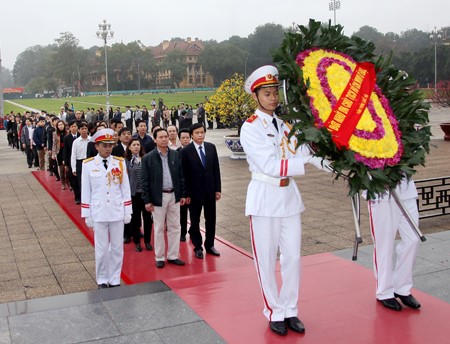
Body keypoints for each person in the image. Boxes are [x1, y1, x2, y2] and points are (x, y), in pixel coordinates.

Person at [240, 65, 331, 336]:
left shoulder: (288, 124)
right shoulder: (251, 127)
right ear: (255, 96)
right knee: (266, 259)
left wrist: (335, 164)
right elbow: (269, 164)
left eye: (274, 92)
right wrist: (303, 161)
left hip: (289, 198)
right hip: (265, 198)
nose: (273, 98)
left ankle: (290, 309)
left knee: (292, 257)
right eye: (266, 93)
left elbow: (307, 152)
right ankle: (274, 310)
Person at [81, 128, 132, 289]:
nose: (108, 148)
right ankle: (102, 278)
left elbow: (125, 188)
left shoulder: (120, 162)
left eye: (110, 145)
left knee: (117, 248)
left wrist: (127, 210)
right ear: (96, 146)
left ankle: (114, 278)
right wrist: (87, 213)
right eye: (104, 145)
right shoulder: (88, 165)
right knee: (102, 249)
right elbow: (86, 191)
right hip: (99, 211)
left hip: (116, 211)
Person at [365, 177, 421, 311]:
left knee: (413, 239)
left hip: (406, 191)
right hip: (380, 193)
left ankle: (402, 287)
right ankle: (384, 291)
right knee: (384, 245)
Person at [141, 128, 186, 268]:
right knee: (159, 228)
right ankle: (159, 257)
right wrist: (147, 200)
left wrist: (182, 194)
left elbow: (181, 176)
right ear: (154, 139)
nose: (164, 139)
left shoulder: (175, 155)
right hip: (158, 197)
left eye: (166, 136)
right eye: (160, 137)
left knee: (175, 226)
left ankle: (173, 255)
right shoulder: (148, 158)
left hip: (174, 195)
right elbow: (145, 181)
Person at [181, 123, 221, 259]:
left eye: (202, 132)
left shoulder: (211, 148)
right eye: (197, 133)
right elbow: (184, 174)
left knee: (211, 219)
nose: (200, 135)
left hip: (210, 190)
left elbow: (216, 169)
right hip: (194, 193)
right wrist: (185, 194)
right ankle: (197, 246)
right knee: (195, 220)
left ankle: (210, 245)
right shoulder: (186, 151)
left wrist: (218, 189)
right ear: (192, 135)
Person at [125, 138, 153, 252]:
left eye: (138, 145)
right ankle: (137, 242)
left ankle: (147, 241)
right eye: (134, 145)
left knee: (147, 219)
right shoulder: (125, 161)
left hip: (145, 194)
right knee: (135, 219)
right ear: (129, 147)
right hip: (133, 194)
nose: (136, 147)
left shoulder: (146, 159)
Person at [177, 128, 191, 241]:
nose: (185, 140)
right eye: (183, 138)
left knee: (194, 212)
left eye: (187, 138)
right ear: (179, 139)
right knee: (182, 213)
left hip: (193, 188)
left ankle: (193, 231)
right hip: (182, 188)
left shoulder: (194, 150)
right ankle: (182, 232)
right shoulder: (176, 152)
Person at [71, 121, 90, 204]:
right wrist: (74, 168)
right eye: (82, 129)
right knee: (81, 181)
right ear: (79, 130)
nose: (84, 130)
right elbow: (73, 155)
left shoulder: (91, 140)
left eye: (85, 128)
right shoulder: (76, 142)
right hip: (80, 162)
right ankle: (82, 198)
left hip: (90, 161)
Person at [52, 120, 69, 190]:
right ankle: (63, 182)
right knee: (61, 169)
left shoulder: (67, 132)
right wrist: (53, 153)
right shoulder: (55, 133)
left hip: (66, 151)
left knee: (67, 168)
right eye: (59, 125)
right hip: (59, 152)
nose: (61, 126)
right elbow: (54, 144)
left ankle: (68, 182)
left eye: (62, 124)